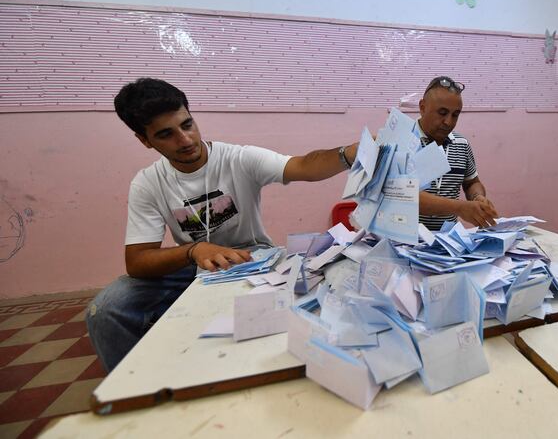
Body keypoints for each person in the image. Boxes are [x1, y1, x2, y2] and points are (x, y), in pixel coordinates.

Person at [87, 78, 358, 371]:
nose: (186, 140)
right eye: (166, 134)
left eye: (187, 125)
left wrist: (349, 154)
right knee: (105, 309)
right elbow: (137, 261)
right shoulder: (148, 183)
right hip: (194, 265)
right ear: (144, 139)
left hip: (255, 257)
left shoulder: (237, 158)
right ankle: (134, 386)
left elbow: (304, 165)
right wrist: (193, 251)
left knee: (332, 276)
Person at [416, 76, 499, 230]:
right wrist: (459, 207)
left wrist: (477, 197)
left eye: (455, 115)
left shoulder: (461, 144)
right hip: (405, 243)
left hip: (448, 243)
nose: (448, 122)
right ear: (422, 107)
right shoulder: (401, 141)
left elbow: (472, 182)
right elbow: (405, 197)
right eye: (442, 113)